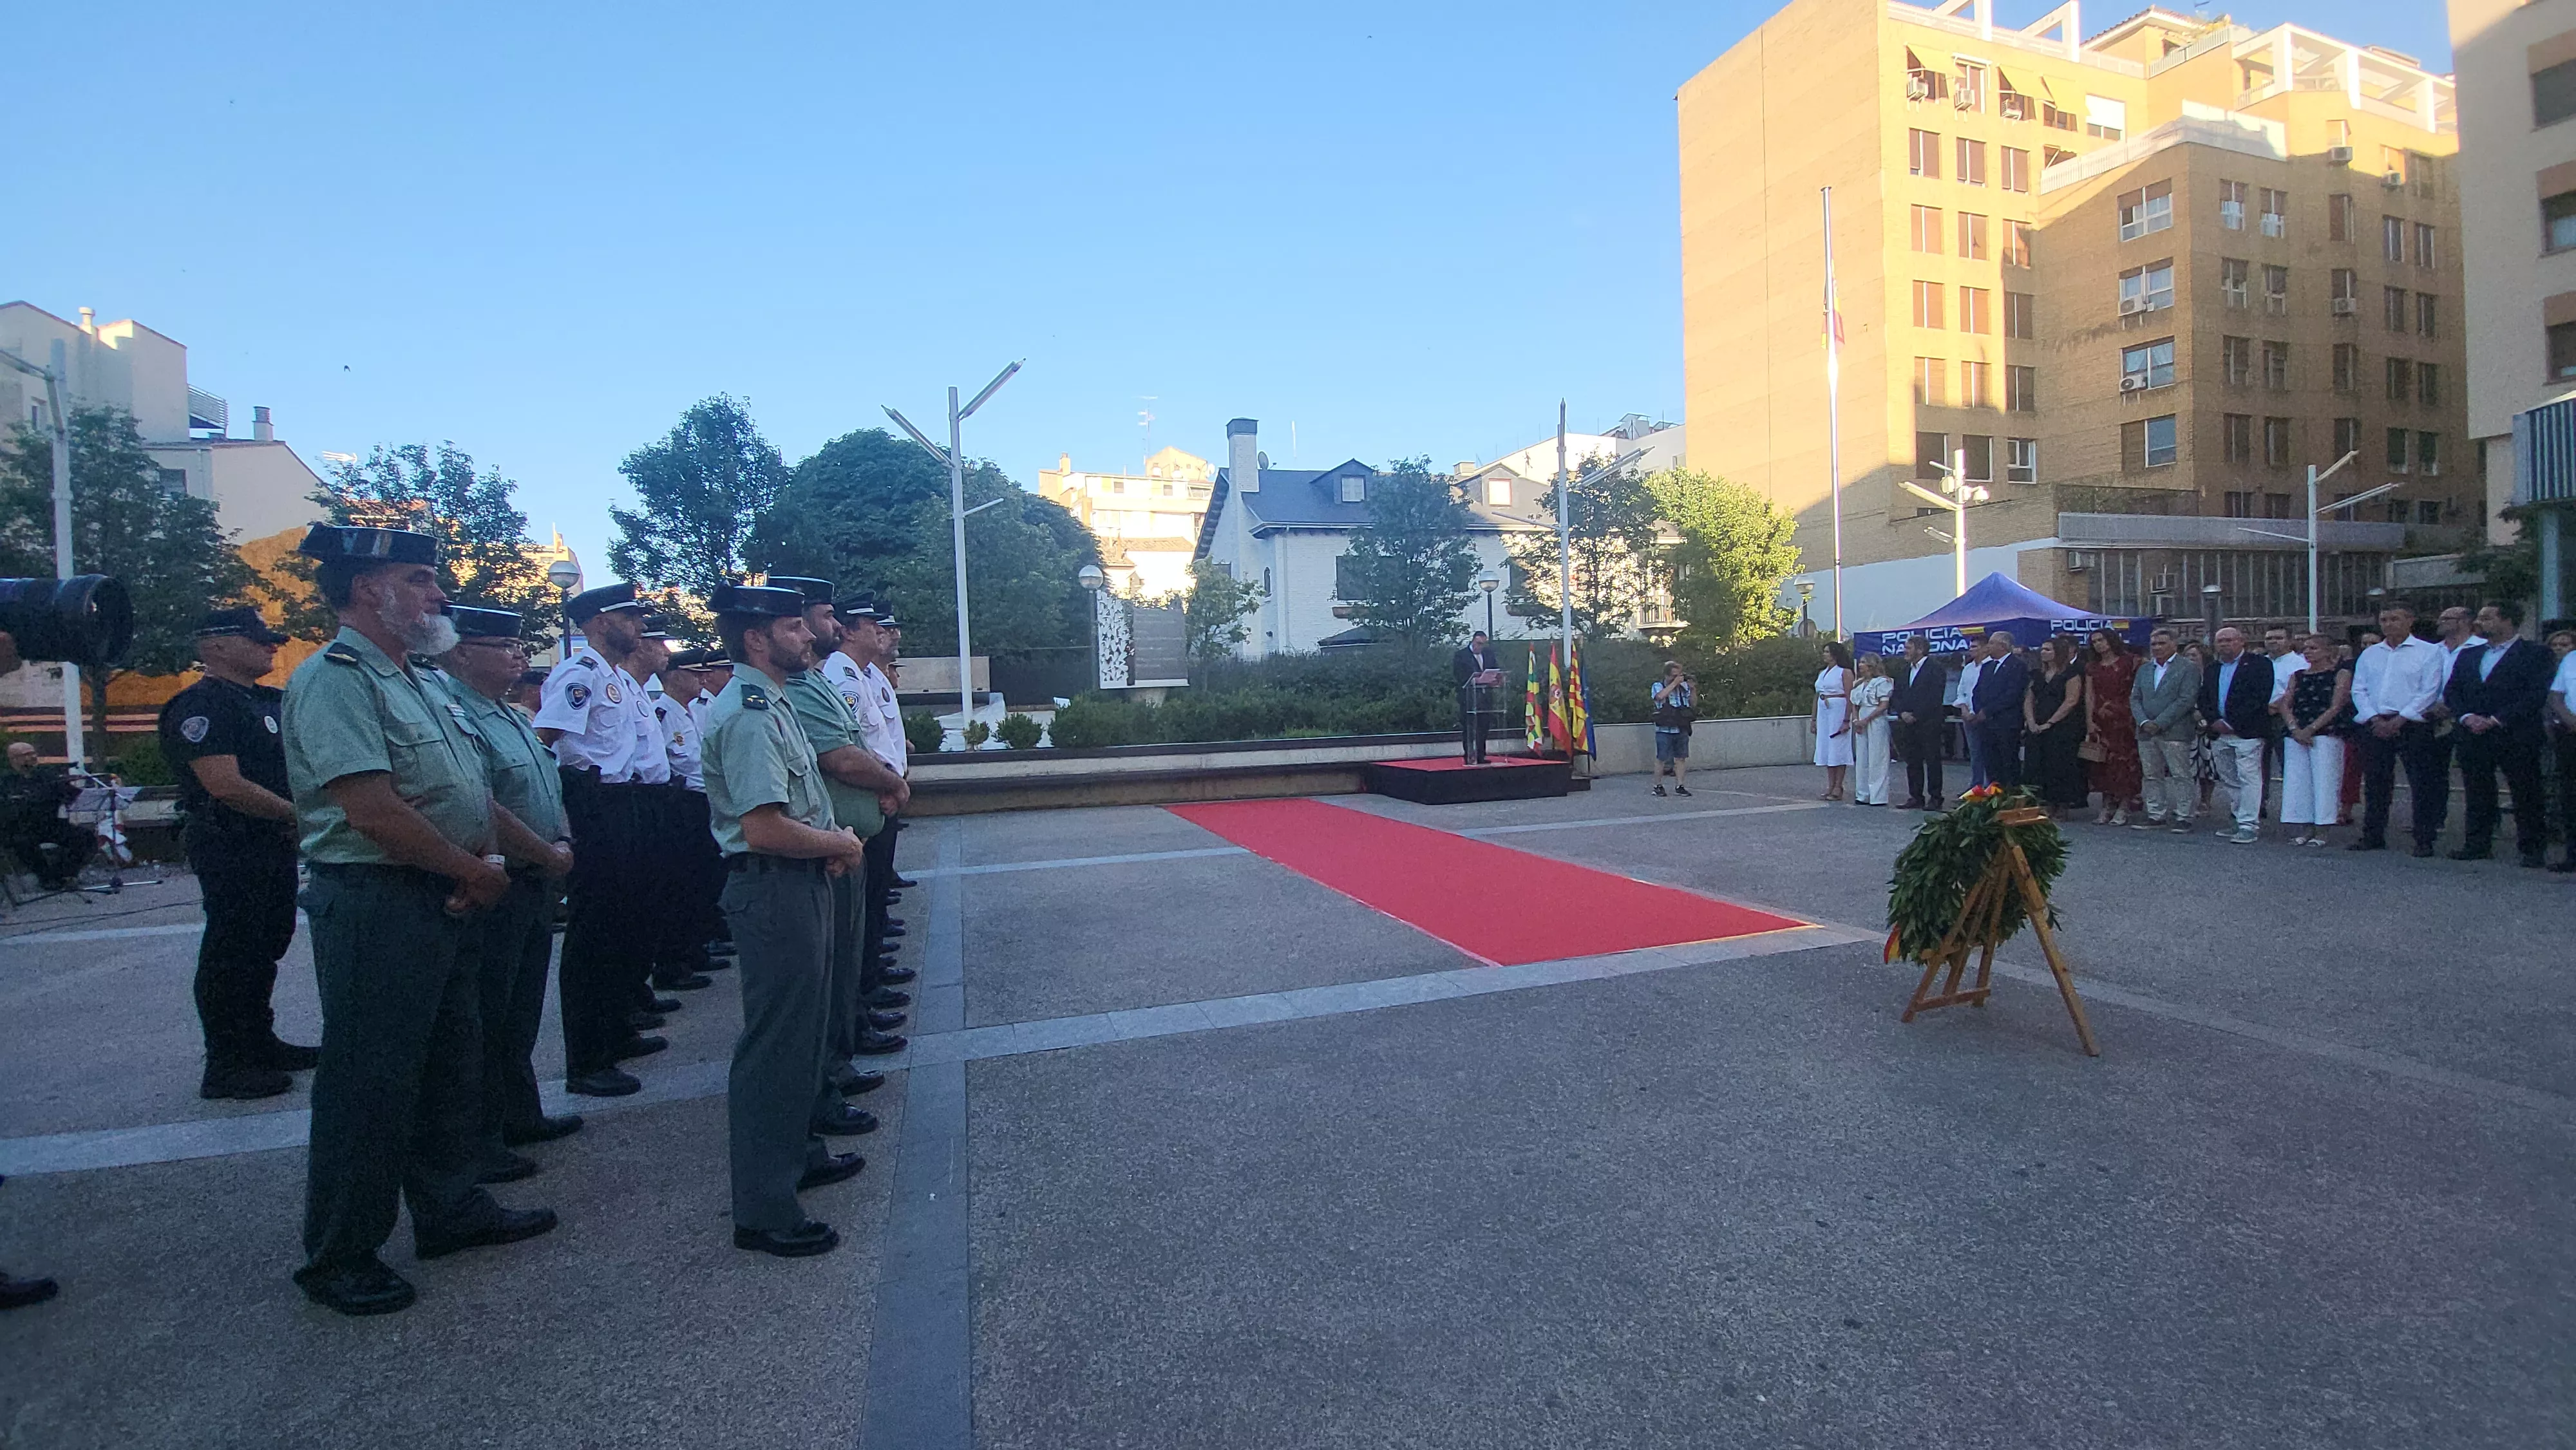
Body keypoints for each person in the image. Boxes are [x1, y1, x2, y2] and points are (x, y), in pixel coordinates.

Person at [281, 524, 557, 1317]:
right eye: (420, 578)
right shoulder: (335, 679)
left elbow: (467, 790)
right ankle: (341, 1254)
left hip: (442, 892)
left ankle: (450, 1207)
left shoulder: (419, 679)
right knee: (370, 1082)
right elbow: (370, 809)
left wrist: (487, 861)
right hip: (379, 899)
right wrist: (469, 869)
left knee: (449, 1064)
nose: (439, 594)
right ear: (370, 589)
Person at [700, 583, 872, 1259]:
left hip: (798, 883)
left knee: (804, 1037)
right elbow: (764, 827)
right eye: (793, 628)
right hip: (773, 888)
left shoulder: (773, 701)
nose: (807, 636)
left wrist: (827, 842)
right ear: (755, 638)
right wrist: (838, 842)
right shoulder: (748, 713)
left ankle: (798, 1155)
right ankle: (765, 1207)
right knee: (776, 1048)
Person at [436, 606, 583, 1180]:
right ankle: (481, 1137)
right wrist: (545, 851)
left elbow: (546, 783)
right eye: (503, 646)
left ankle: (520, 1113)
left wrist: (562, 839)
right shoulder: (454, 713)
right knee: (486, 1013)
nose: (519, 656)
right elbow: (484, 802)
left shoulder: (511, 713)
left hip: (537, 875)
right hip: (505, 877)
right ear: (461, 653)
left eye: (519, 646)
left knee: (520, 1008)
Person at [156, 607, 315, 1101]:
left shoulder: (267, 701)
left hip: (271, 840)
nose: (271, 646)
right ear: (217, 645)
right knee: (234, 947)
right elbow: (225, 785)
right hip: (230, 841)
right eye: (257, 638)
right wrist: (301, 816)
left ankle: (258, 1041)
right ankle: (227, 1062)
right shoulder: (202, 705)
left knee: (267, 941)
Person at [770, 578, 909, 1142]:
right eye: (817, 619)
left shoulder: (827, 679)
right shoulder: (817, 682)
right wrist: (889, 783)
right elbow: (840, 755)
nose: (818, 631)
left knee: (848, 952)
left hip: (846, 833)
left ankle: (842, 1050)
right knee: (817, 982)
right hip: (809, 851)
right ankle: (822, 1083)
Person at [534, 583, 668, 1098]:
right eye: (628, 617)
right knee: (595, 932)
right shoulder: (580, 673)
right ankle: (587, 1059)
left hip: (626, 801)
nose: (639, 625)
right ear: (597, 622)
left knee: (623, 923)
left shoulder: (618, 679)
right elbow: (547, 740)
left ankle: (615, 1030)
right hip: (595, 803)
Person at [2445, 601, 2554, 867]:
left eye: (2487, 617)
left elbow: (2536, 694)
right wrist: (2466, 716)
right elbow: (2453, 690)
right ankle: (2477, 843)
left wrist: (2497, 719)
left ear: (2508, 620)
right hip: (2473, 732)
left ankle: (2532, 848)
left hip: (2515, 732)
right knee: (2477, 789)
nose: (2480, 622)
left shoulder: (2535, 653)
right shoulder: (2469, 654)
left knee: (2525, 791)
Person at [2349, 601, 2450, 856]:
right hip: (2376, 723)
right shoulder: (2371, 654)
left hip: (2412, 724)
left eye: (2395, 619)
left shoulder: (2429, 652)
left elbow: (2429, 690)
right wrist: (2374, 718)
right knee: (2376, 782)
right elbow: (2359, 689)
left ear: (2410, 621)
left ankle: (2424, 839)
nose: (2389, 624)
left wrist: (2401, 719)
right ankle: (2373, 835)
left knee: (2421, 783)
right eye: (2384, 620)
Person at [2197, 626, 2275, 845]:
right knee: (2229, 778)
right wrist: (2215, 720)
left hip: (2247, 732)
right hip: (2219, 733)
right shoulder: (2213, 668)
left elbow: (2260, 697)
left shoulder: (2259, 665)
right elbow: (2204, 698)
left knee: (2249, 778)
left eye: (2229, 640)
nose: (2224, 645)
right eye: (2220, 641)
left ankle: (2249, 825)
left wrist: (2232, 723)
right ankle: (2239, 817)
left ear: (2242, 641)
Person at [2277, 632, 2356, 846]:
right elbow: (2285, 703)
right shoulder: (2298, 675)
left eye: (2313, 648)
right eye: (2306, 648)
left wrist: (2311, 729)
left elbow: (2336, 706)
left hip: (2326, 731)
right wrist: (2295, 728)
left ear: (2328, 651)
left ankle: (2323, 830)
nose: (2308, 652)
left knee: (2325, 780)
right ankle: (2305, 827)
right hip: (2297, 732)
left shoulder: (2340, 674)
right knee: (2299, 781)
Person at [2130, 628, 2201, 833]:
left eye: (2162, 643)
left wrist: (2160, 722)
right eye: (2154, 644)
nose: (2157, 647)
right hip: (2145, 731)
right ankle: (2156, 814)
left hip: (2175, 731)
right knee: (2151, 775)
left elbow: (2186, 699)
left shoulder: (2187, 668)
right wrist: (2143, 721)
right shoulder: (2144, 669)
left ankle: (2184, 816)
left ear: (2174, 644)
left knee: (2181, 775)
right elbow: (2135, 698)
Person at [0, 742, 93, 890]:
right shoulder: (5, 781)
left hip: (49, 824)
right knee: (23, 843)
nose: (33, 757)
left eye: (34, 753)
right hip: (19, 828)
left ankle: (64, 874)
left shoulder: (46, 775)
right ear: (14, 759)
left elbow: (71, 794)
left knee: (85, 837)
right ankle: (46, 878)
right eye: (27, 754)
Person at [2021, 636, 2088, 815]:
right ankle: (2044, 802)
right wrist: (2031, 721)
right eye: (2042, 649)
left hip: (2062, 726)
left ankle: (2062, 804)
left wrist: (2051, 722)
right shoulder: (2037, 674)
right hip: (2037, 724)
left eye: (2048, 649)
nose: (2043, 652)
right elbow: (2029, 699)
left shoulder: (2070, 674)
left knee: (2060, 765)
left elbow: (2071, 700)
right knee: (2037, 765)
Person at [2083, 629, 2142, 825]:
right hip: (2101, 721)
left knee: (2125, 764)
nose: (2098, 644)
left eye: (2101, 640)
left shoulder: (2130, 662)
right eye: (2094, 642)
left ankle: (2124, 806)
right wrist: (2089, 721)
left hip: (2125, 719)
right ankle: (2107, 805)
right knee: (2102, 764)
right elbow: (2089, 695)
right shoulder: (2092, 667)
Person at [1889, 636, 1949, 811]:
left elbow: (1934, 696)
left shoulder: (1935, 669)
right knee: (1912, 760)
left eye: (1909, 648)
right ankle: (1916, 796)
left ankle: (1936, 797)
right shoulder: (1904, 670)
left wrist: (1917, 715)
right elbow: (1897, 694)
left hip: (1928, 722)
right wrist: (1902, 712)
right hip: (1908, 723)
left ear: (1920, 650)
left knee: (1932, 760)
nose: (1905, 651)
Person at [1967, 632, 2028, 792]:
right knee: (1991, 763)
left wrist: (1988, 711)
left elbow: (2012, 694)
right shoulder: (1988, 666)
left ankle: (2011, 795)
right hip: (1986, 724)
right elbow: (1977, 691)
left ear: (2003, 646)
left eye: (1992, 643)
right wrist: (1979, 710)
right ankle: (1994, 794)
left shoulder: (2017, 666)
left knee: (2008, 762)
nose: (1989, 646)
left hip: (2006, 723)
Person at [1848, 654, 1893, 806]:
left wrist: (1867, 720)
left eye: (1864, 662)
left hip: (1876, 720)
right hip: (1861, 719)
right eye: (1860, 662)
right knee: (1862, 758)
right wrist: (1857, 721)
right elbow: (1854, 705)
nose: (1861, 665)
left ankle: (1878, 796)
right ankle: (1862, 793)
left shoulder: (1882, 682)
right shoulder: (1858, 684)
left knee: (1878, 757)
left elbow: (1883, 705)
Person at [2548, 630, 2576, 873]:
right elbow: (2556, 696)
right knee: (2570, 795)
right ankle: (2573, 855)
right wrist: (2570, 721)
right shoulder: (2570, 660)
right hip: (2570, 733)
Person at [1452, 631, 1502, 764]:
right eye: (1478, 643)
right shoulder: (1461, 655)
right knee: (1469, 728)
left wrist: (1496, 679)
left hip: (1485, 697)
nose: (1480, 647)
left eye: (1483, 644)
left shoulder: (1488, 654)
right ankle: (1470, 755)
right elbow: (1459, 676)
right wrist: (1475, 680)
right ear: (1473, 641)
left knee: (1483, 727)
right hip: (1468, 698)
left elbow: (1496, 670)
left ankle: (1481, 755)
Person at [1812, 640, 1853, 801]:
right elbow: (1817, 695)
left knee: (1838, 747)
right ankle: (1830, 785)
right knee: (1827, 748)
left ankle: (1838, 785)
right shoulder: (1822, 673)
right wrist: (1814, 719)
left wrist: (1846, 720)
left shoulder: (1844, 672)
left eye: (1827, 652)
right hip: (1824, 711)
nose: (1824, 655)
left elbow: (1850, 696)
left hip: (1838, 710)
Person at [1649, 660, 1696, 797]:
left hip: (1681, 727)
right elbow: (1659, 697)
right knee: (1662, 758)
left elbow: (1693, 704)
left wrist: (1693, 689)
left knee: (1681, 758)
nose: (1678, 678)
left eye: (1679, 675)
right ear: (1667, 675)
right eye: (1674, 675)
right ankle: (1657, 786)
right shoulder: (1658, 686)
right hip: (1665, 729)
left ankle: (1680, 785)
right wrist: (1674, 684)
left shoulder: (1683, 688)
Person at [1952, 646, 1992, 788]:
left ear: (1985, 648)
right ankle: (1976, 785)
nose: (1971, 650)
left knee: (1988, 752)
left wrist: (1979, 713)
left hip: (1985, 716)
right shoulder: (1968, 668)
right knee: (1975, 753)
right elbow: (1961, 691)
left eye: (1975, 647)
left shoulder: (1991, 666)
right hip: (1967, 716)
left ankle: (1989, 786)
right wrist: (1964, 709)